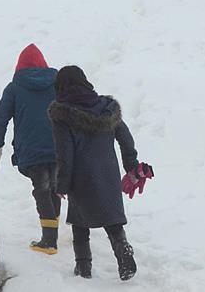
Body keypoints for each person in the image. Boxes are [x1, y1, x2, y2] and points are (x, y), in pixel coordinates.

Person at [48, 66, 154, 281]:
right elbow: (125, 137)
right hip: (107, 172)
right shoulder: (106, 107)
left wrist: (62, 184)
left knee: (79, 222)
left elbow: (65, 154)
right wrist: (131, 165)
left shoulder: (62, 114)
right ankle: (122, 248)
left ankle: (83, 268)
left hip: (81, 176)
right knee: (112, 219)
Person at [0, 44, 61, 255]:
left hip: (30, 147)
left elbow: (1, 118)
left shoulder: (14, 88)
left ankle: (49, 240)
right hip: (58, 145)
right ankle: (52, 231)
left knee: (42, 188)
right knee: (54, 186)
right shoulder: (57, 85)